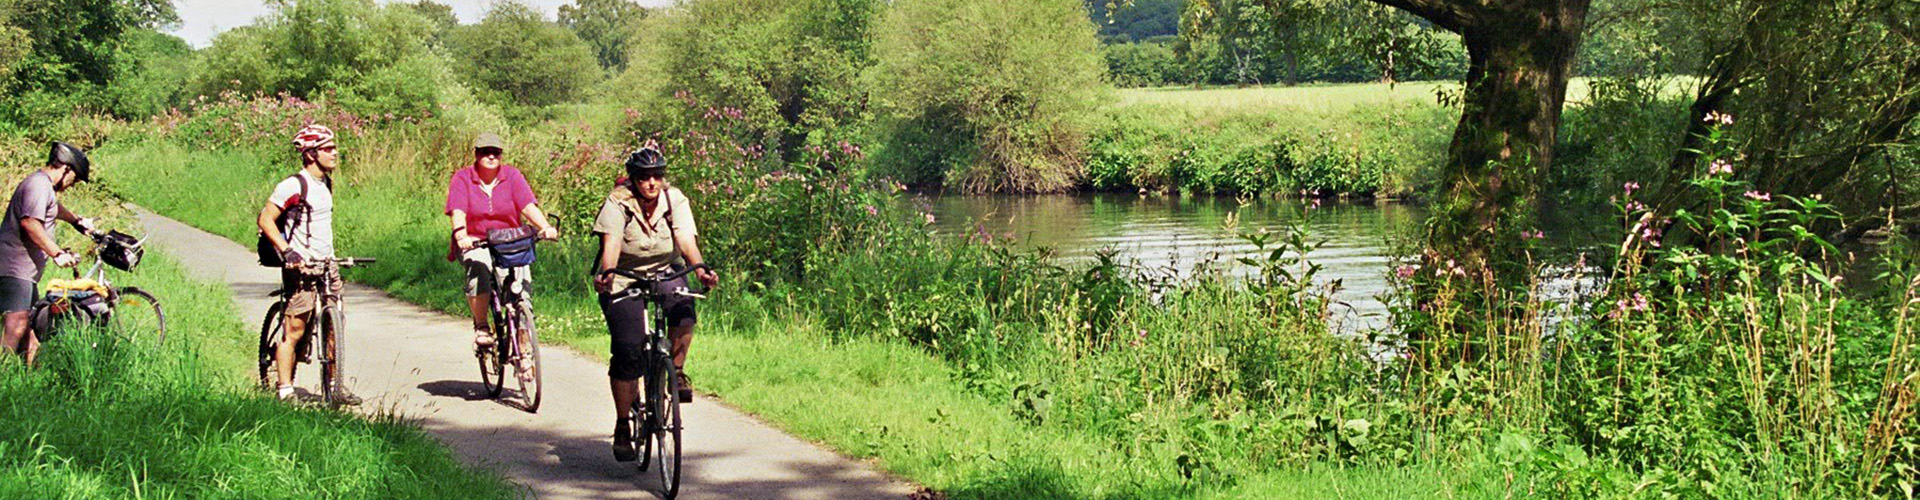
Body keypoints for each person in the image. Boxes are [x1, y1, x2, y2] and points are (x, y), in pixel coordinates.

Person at [592, 147, 718, 461]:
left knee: (684, 311)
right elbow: (612, 245)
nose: (652, 182)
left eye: (657, 175)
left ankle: (675, 372)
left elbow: (686, 239)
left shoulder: (675, 199)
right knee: (627, 349)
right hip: (624, 275)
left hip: (664, 268)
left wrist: (700, 268)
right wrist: (607, 273)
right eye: (645, 177)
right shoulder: (618, 202)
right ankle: (623, 424)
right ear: (633, 180)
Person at [257, 124, 357, 404]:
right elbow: (265, 219)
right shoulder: (293, 185)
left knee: (335, 325)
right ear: (311, 154)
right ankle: (285, 389)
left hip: (327, 264)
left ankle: (336, 386)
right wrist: (288, 252)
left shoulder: (326, 182)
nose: (335, 153)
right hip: (300, 267)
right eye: (328, 149)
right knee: (296, 329)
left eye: (334, 147)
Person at [444, 132, 558, 372]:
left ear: (501, 155)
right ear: (476, 154)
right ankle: (482, 326)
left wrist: (545, 227)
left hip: (509, 240)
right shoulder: (463, 178)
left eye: (495, 152)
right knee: (479, 267)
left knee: (522, 286)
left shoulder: (512, 176)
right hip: (477, 240)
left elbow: (527, 205)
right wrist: (461, 235)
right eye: (485, 152)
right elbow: (458, 210)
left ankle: (525, 346)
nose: (491, 156)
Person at [0, 142, 97, 365]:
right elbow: (30, 222)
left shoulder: (44, 188)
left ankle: (28, 381)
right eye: (76, 178)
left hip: (25, 271)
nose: (73, 185)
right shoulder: (37, 186)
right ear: (66, 169)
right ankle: (4, 378)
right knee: (17, 323)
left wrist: (76, 221)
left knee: (31, 332)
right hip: (14, 268)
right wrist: (57, 253)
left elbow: (53, 208)